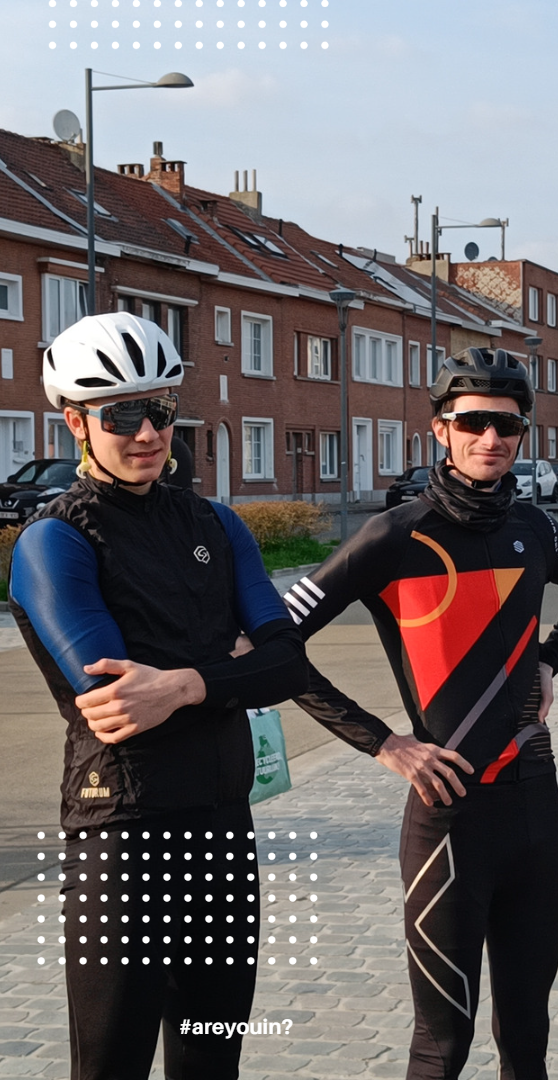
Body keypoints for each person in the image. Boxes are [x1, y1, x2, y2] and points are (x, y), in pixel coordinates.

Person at [286, 347, 558, 1080]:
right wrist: (382, 743)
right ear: (441, 429)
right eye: (473, 423)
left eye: (509, 426)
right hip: (450, 816)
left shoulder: (534, 528)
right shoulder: (394, 535)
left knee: (528, 1034)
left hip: (535, 808)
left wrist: (547, 659)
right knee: (441, 1046)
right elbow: (278, 648)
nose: (491, 439)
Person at [7, 312, 308, 1080]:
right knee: (112, 1065)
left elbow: (287, 665)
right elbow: (114, 698)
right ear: (74, 420)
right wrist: (229, 661)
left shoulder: (218, 523)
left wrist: (186, 681)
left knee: (212, 1059)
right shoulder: (55, 540)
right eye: (122, 414)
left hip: (221, 827)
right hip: (124, 835)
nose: (148, 434)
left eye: (162, 411)